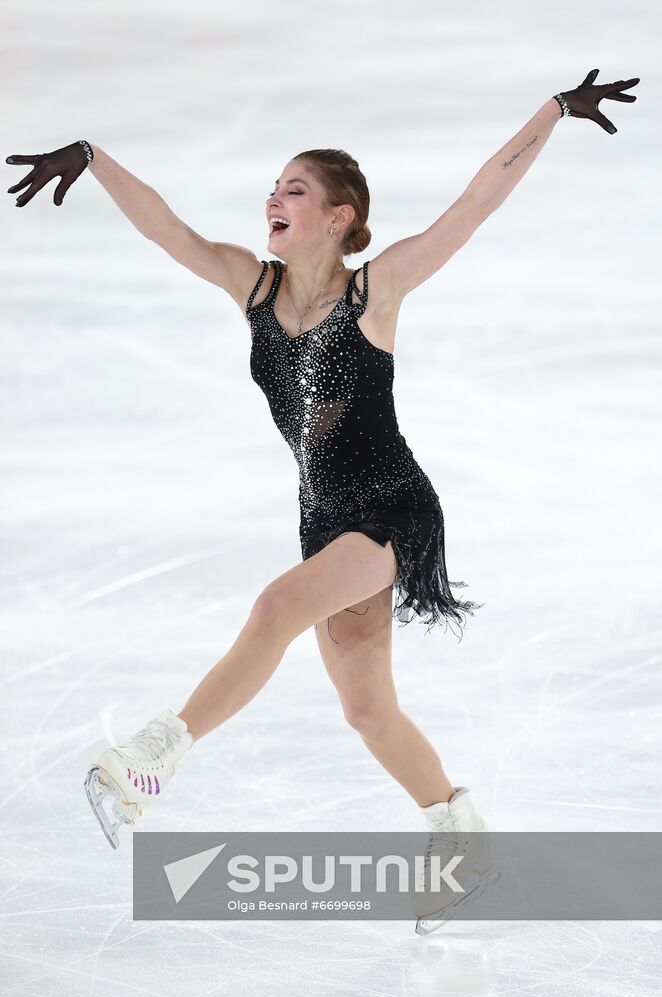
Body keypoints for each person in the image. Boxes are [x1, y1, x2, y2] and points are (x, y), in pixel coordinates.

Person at [6, 72, 639, 921]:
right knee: (368, 710)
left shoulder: (376, 291)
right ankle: (462, 837)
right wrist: (93, 156)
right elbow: (169, 231)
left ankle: (146, 768)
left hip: (391, 508)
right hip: (322, 519)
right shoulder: (254, 288)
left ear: (339, 217)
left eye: (294, 189)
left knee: (275, 609)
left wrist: (554, 111)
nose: (273, 198)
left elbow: (473, 204)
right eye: (272, 188)